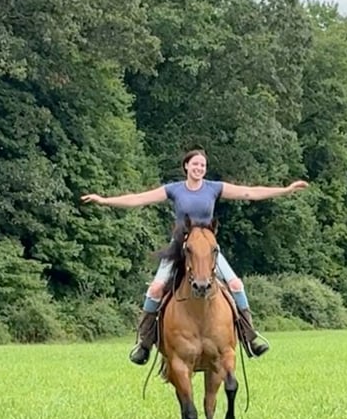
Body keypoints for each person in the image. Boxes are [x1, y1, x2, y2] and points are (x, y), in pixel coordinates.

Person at [81, 149, 309, 365]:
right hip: (180, 247)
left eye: (203, 165)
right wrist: (105, 200)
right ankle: (145, 343)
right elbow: (139, 199)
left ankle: (250, 337)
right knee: (155, 289)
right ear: (186, 167)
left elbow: (249, 192)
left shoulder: (213, 188)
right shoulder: (174, 189)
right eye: (195, 164)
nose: (199, 168)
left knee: (236, 284)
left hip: (207, 248)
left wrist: (285, 190)